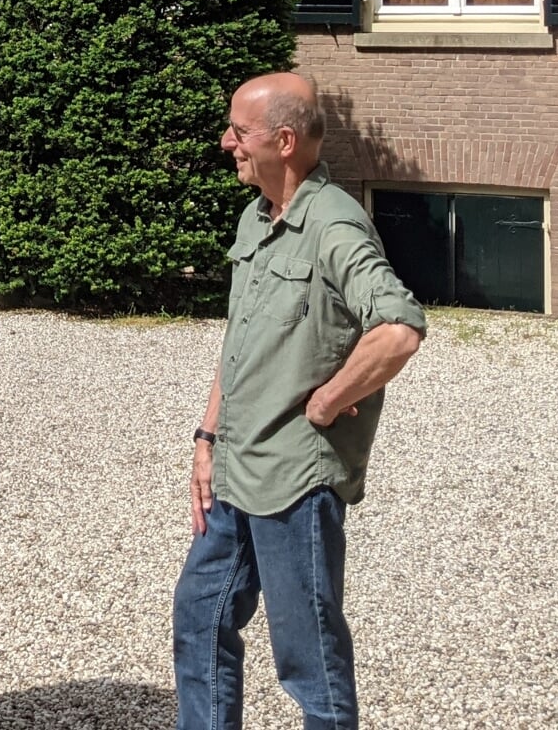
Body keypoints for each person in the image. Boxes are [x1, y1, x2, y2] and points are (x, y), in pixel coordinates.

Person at [174, 72, 427, 730]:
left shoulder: (334, 225)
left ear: (282, 141)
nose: (226, 140)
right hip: (233, 469)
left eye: (238, 129)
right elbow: (242, 340)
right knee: (198, 617)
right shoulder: (256, 216)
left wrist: (328, 401)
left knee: (306, 659)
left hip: (293, 481)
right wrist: (206, 439)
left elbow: (397, 330)